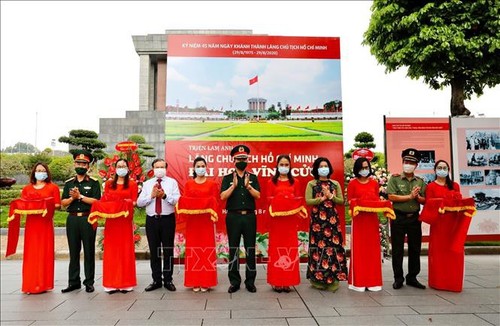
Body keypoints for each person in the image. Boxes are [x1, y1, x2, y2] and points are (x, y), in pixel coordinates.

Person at [5, 163, 61, 294]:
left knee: (44, 253)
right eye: (38, 170)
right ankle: (30, 284)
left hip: (45, 224)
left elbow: (58, 205)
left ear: (47, 173)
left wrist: (45, 204)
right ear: (33, 173)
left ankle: (44, 284)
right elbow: (23, 204)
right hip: (32, 225)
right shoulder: (27, 189)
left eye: (43, 170)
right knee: (31, 254)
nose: (40, 173)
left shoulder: (53, 187)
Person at [421, 160, 474, 292]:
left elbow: (459, 202)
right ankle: (438, 282)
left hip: (453, 223)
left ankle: (453, 282)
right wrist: (443, 202)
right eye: (439, 167)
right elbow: (429, 204)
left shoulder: (454, 185)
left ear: (448, 170)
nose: (442, 170)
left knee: (454, 252)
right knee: (438, 253)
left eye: (444, 168)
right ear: (435, 170)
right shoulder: (431, 187)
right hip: (439, 224)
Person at [347, 157, 394, 292]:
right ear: (357, 169)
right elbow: (350, 201)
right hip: (359, 221)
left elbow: (376, 201)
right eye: (362, 167)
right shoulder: (352, 184)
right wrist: (359, 202)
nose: (364, 170)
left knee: (373, 250)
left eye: (366, 167)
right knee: (359, 250)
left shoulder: (374, 183)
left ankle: (373, 281)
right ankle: (358, 282)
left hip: (372, 221)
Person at [91, 159, 138, 294]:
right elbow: (105, 200)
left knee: (125, 250)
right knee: (111, 250)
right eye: (119, 166)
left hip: (124, 220)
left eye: (124, 166)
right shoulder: (109, 184)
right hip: (111, 222)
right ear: (114, 168)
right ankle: (111, 283)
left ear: (128, 168)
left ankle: (126, 283)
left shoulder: (133, 184)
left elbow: (134, 202)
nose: (121, 168)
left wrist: (123, 203)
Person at [220, 144, 261, 293]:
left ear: (248, 160)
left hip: (249, 217)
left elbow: (258, 196)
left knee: (250, 249)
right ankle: (234, 281)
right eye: (239, 158)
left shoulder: (253, 177)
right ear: (233, 160)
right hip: (233, 217)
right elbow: (222, 196)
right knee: (233, 249)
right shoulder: (227, 178)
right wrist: (233, 186)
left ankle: (250, 281)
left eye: (244, 158)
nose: (242, 160)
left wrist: (248, 186)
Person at [61, 150, 101, 293]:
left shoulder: (94, 183)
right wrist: (72, 198)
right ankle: (73, 282)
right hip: (72, 219)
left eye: (84, 164)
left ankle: (89, 282)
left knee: (89, 251)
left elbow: (96, 201)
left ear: (88, 166)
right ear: (74, 164)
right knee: (74, 251)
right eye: (78, 163)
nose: (81, 166)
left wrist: (80, 197)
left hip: (87, 218)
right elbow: (63, 202)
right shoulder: (68, 183)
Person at [137, 158, 180, 292]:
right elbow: (139, 202)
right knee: (154, 251)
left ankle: (168, 279)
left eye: (162, 167)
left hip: (167, 219)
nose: (160, 169)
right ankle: (156, 280)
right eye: (157, 167)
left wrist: (165, 196)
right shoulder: (147, 184)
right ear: (153, 169)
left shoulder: (172, 183)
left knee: (168, 251)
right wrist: (151, 196)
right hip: (152, 220)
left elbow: (177, 200)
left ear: (166, 168)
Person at [305, 157, 347, 292]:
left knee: (333, 248)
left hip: (332, 220)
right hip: (318, 221)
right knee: (318, 249)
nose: (324, 168)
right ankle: (317, 280)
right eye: (321, 166)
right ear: (316, 169)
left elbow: (341, 201)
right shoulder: (311, 184)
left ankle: (333, 279)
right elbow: (308, 201)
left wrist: (330, 196)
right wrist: (321, 198)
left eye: (326, 166)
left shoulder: (335, 184)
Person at [177, 157, 218, 292]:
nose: (200, 168)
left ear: (206, 168)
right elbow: (186, 201)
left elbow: (214, 202)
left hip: (206, 222)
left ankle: (206, 281)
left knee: (206, 250)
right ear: (194, 168)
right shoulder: (189, 184)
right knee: (193, 250)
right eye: (198, 166)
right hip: (193, 222)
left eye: (203, 165)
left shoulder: (212, 184)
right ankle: (194, 281)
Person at [387, 148, 426, 290]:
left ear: (416, 165)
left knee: (415, 249)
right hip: (398, 217)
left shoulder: (420, 181)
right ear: (403, 162)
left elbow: (424, 200)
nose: (408, 164)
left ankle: (412, 277)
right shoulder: (395, 178)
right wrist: (409, 197)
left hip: (414, 218)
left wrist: (417, 197)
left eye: (412, 162)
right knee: (397, 249)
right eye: (406, 161)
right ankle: (398, 278)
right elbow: (391, 196)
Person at [266, 154, 304, 293]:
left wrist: (288, 200)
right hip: (277, 222)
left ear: (290, 166)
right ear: (277, 166)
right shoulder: (271, 182)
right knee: (276, 250)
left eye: (286, 164)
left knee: (290, 249)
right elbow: (269, 199)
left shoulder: (296, 182)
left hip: (290, 222)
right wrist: (282, 199)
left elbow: (299, 200)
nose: (284, 167)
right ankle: (276, 281)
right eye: (281, 164)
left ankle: (288, 281)